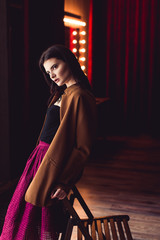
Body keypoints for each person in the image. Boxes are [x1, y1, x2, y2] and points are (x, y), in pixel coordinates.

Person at [0, 44, 97, 239]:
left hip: (51, 162)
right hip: (40, 159)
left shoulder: (80, 95)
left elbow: (83, 147)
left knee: (40, 217)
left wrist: (64, 182)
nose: (52, 74)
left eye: (54, 67)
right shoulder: (63, 93)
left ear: (68, 61)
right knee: (25, 214)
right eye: (48, 71)